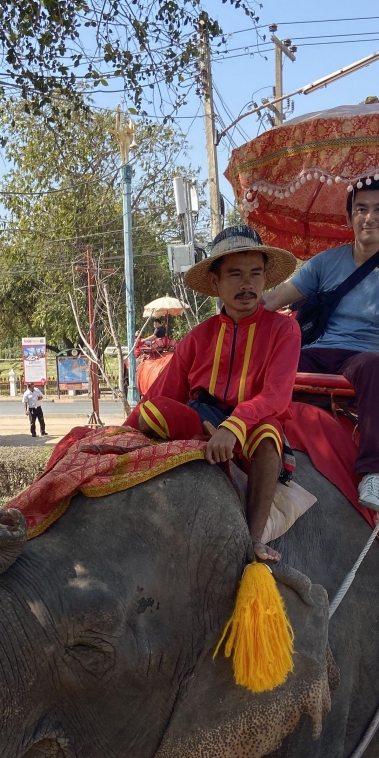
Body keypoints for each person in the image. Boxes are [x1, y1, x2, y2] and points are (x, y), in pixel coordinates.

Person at [128, 225, 299, 563]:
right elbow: (163, 394)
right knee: (152, 412)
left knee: (269, 434)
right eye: (234, 274)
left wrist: (234, 425)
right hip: (200, 420)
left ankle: (253, 539)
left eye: (254, 274)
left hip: (251, 426)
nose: (246, 284)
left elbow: (277, 396)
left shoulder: (284, 329)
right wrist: (122, 432)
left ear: (266, 279)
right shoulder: (198, 336)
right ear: (216, 283)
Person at [262, 178, 379, 513]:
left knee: (376, 365)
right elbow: (279, 297)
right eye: (361, 209)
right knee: (269, 363)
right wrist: (240, 308)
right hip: (317, 352)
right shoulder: (325, 263)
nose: (370, 217)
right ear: (350, 217)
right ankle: (253, 439)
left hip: (363, 360)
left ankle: (372, 472)